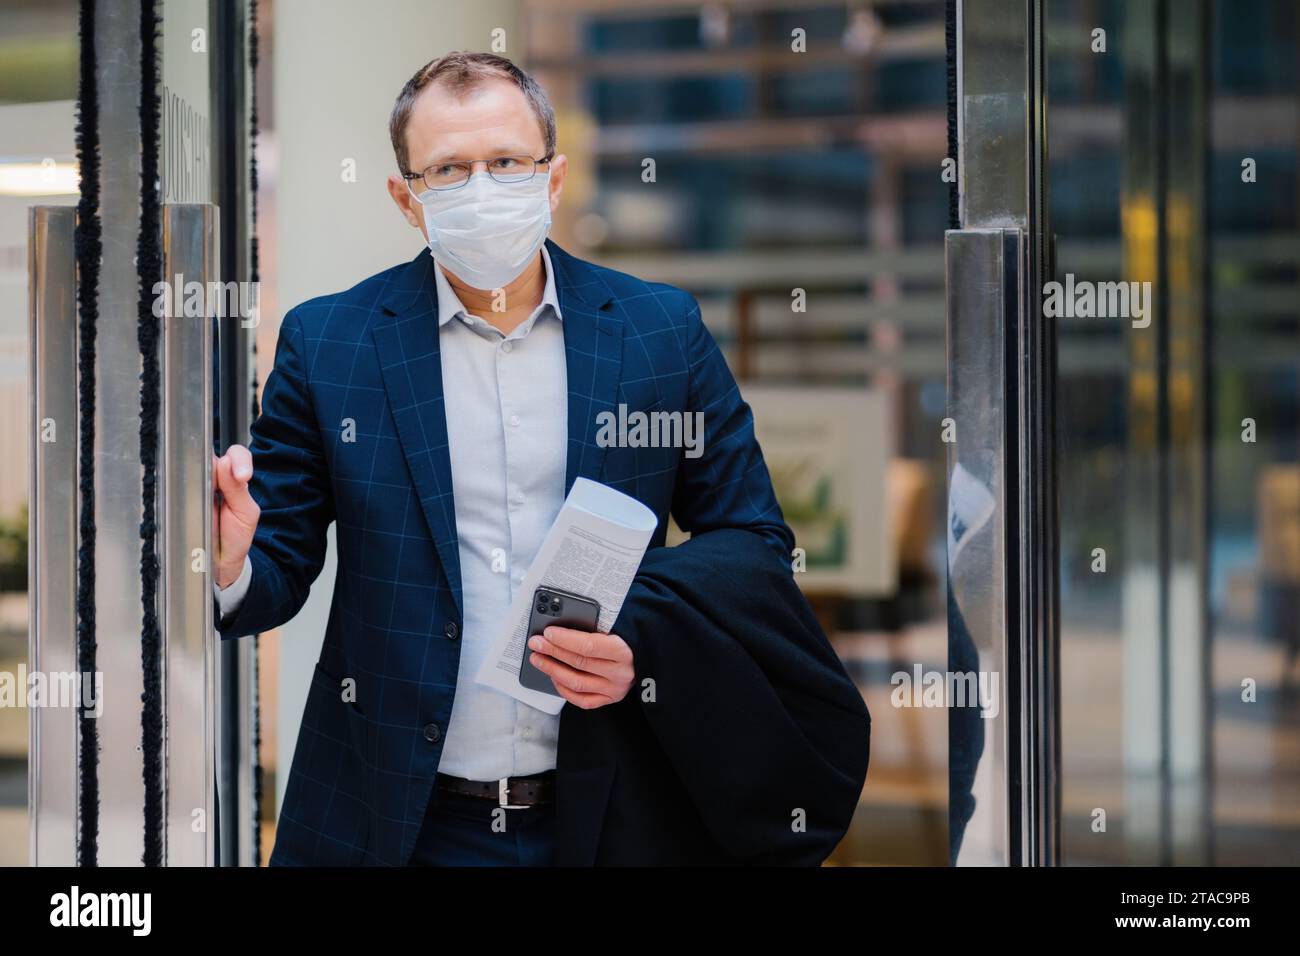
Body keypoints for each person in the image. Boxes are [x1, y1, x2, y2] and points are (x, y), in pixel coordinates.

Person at [212, 51, 806, 866]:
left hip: (613, 811)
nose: (482, 189)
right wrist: (231, 561)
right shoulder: (333, 344)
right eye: (448, 170)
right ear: (407, 199)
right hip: (394, 820)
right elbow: (275, 565)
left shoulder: (659, 332)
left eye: (505, 163)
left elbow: (753, 544)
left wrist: (641, 639)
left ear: (553, 179)